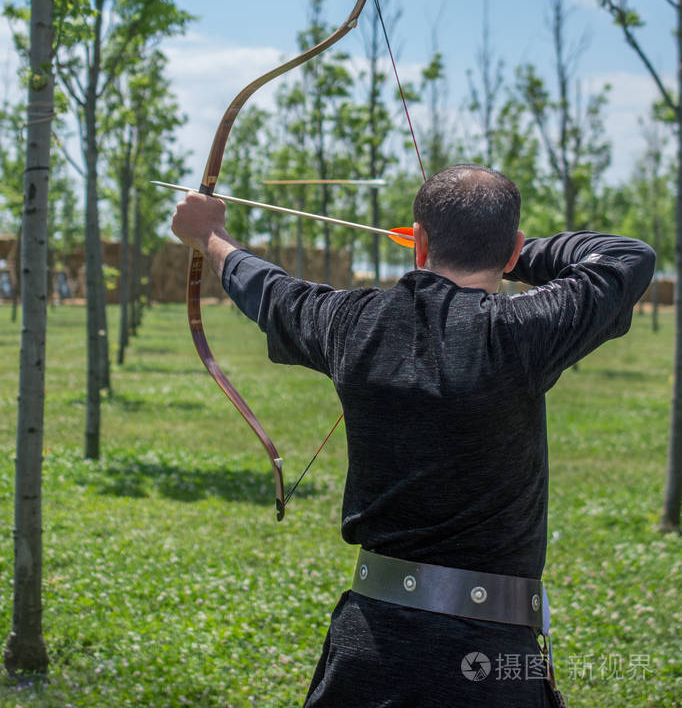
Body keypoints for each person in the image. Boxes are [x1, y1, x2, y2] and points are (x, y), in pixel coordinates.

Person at [171, 163, 655, 708]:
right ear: (513, 249)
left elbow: (269, 290)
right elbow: (628, 257)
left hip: (370, 651)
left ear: (419, 242)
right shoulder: (525, 329)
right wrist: (513, 251)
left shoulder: (349, 322)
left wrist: (209, 233)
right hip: (490, 664)